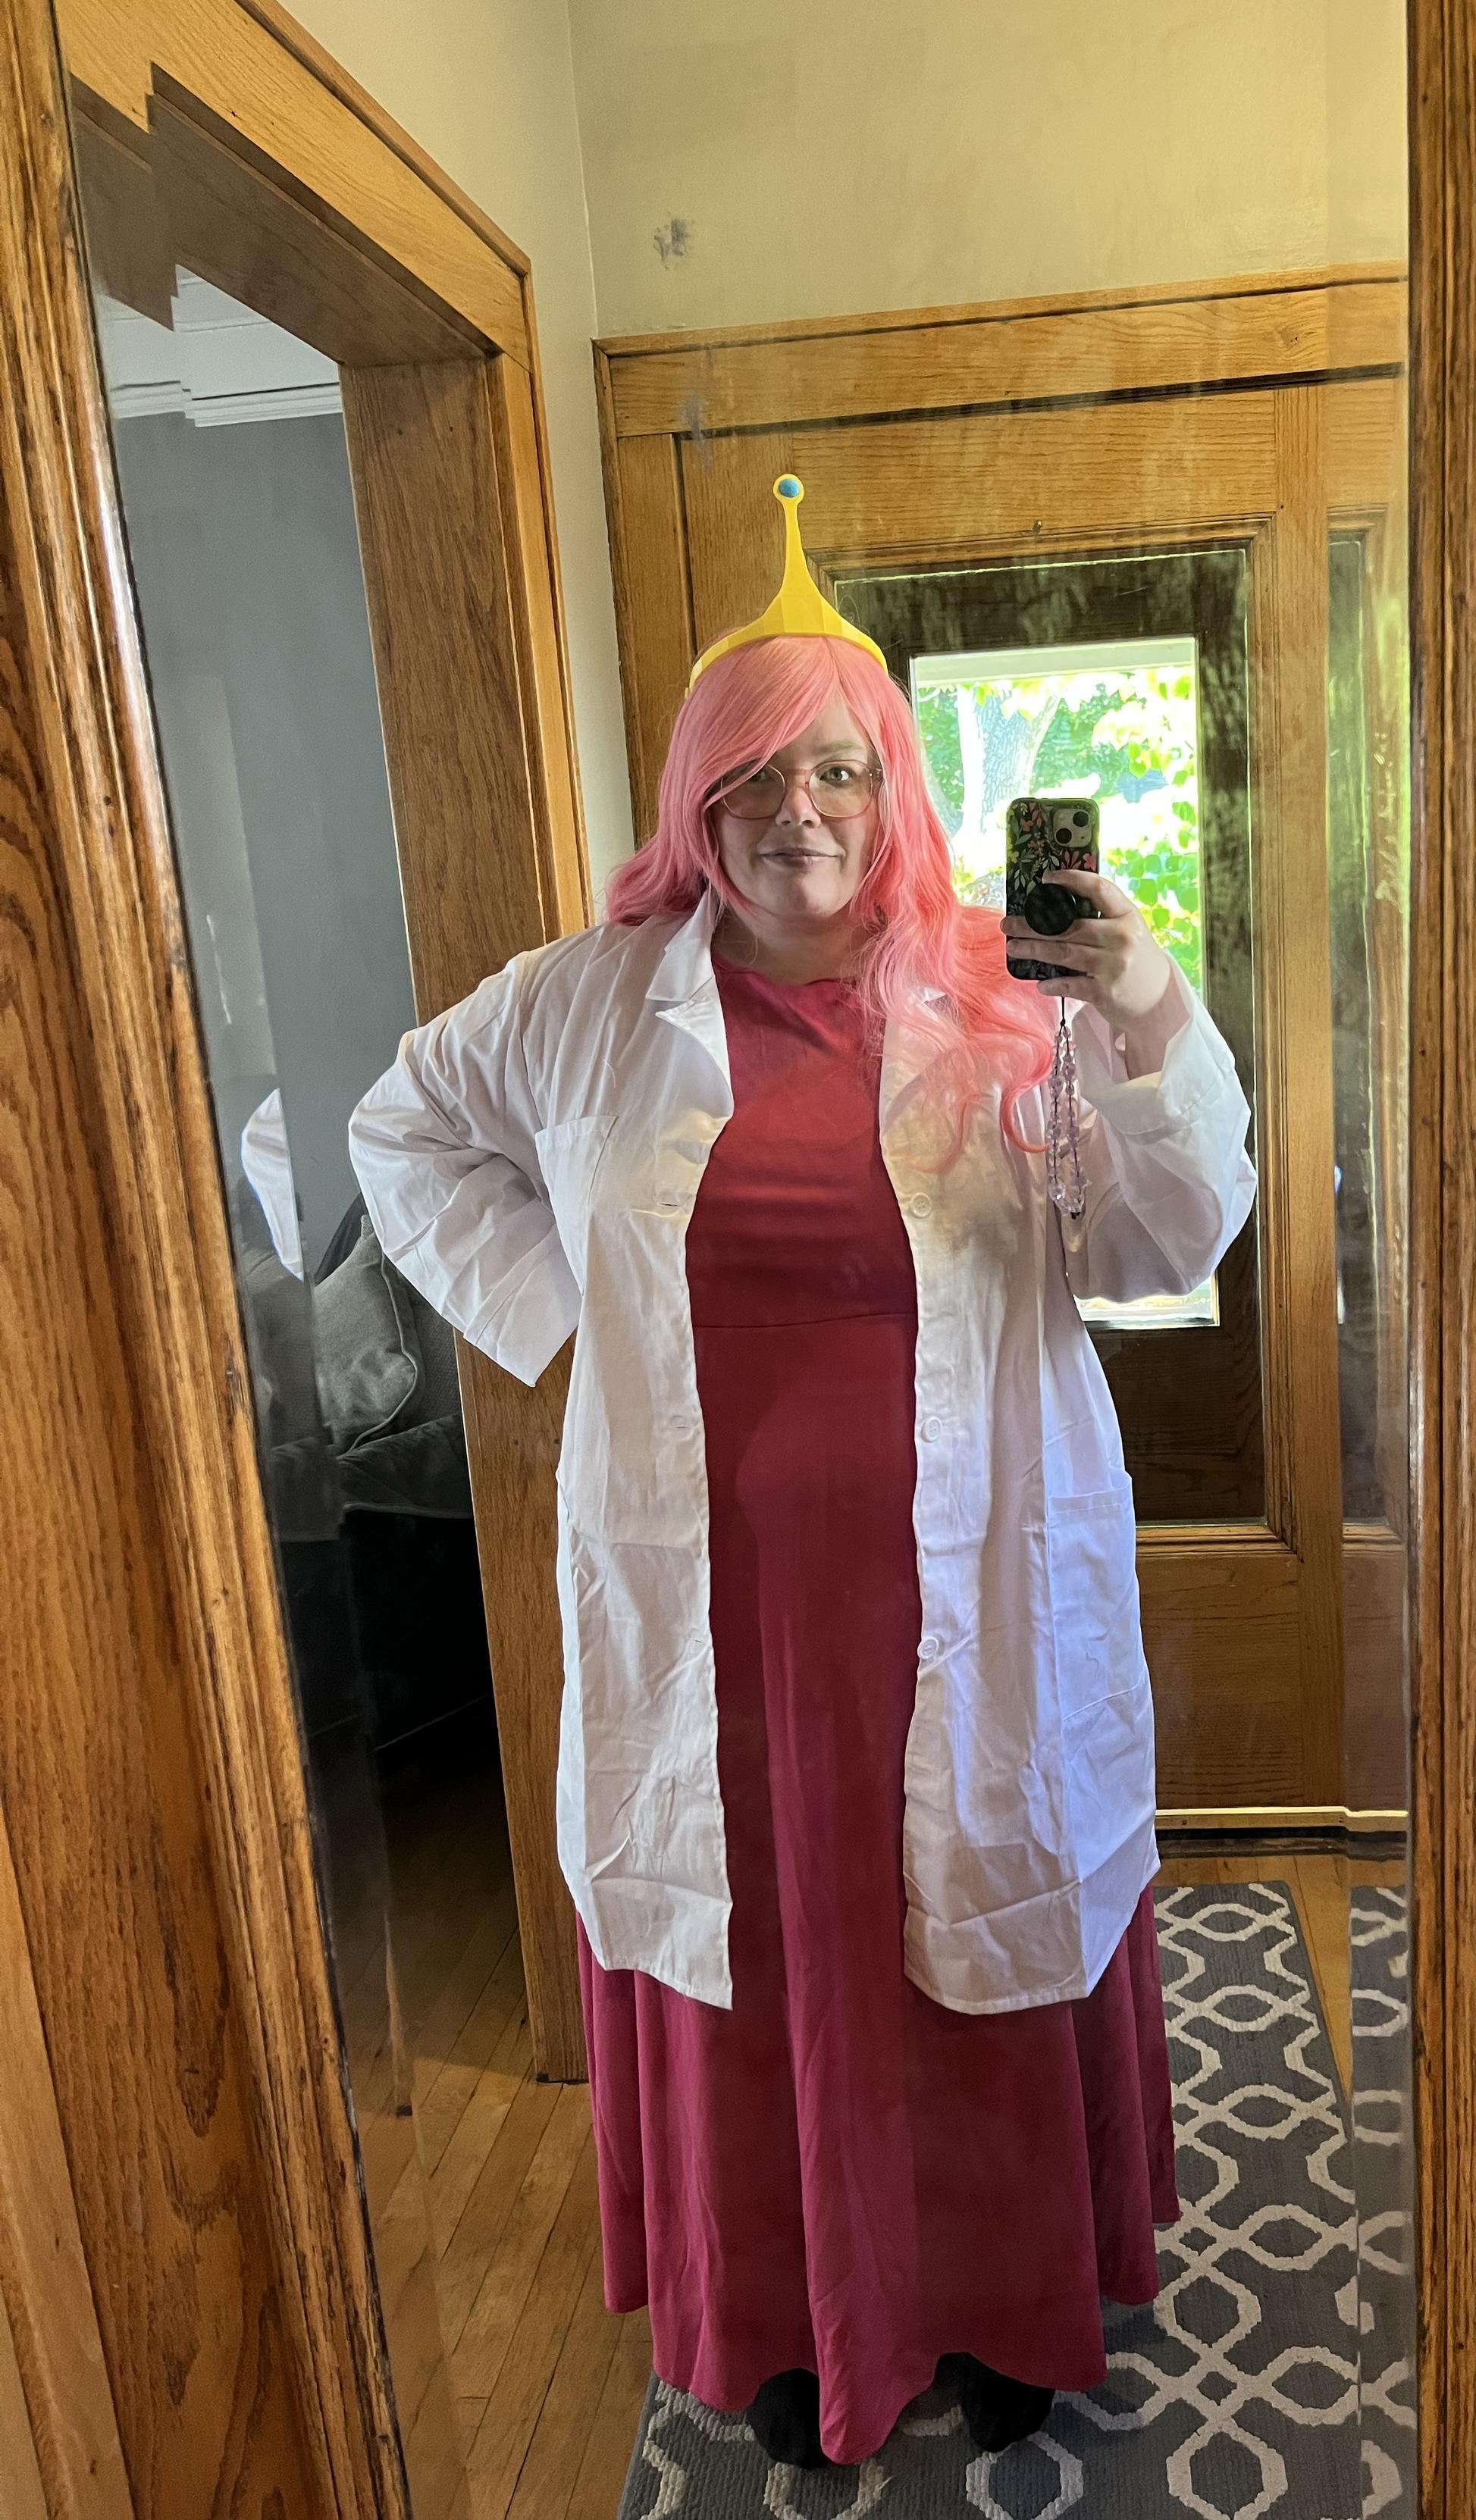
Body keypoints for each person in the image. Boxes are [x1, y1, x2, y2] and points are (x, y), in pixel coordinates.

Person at [349, 476, 1257, 2471]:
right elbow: (398, 1131)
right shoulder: (587, 1005)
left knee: (976, 1918)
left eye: (839, 769)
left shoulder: (1008, 990)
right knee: (757, 1952)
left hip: (974, 1587)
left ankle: (1005, 2304)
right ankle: (778, 2317)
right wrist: (558, 1310)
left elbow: (1172, 1234)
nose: (799, 815)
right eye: (753, 778)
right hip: (722, 1619)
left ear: (894, 787)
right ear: (697, 805)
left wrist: (1138, 997)